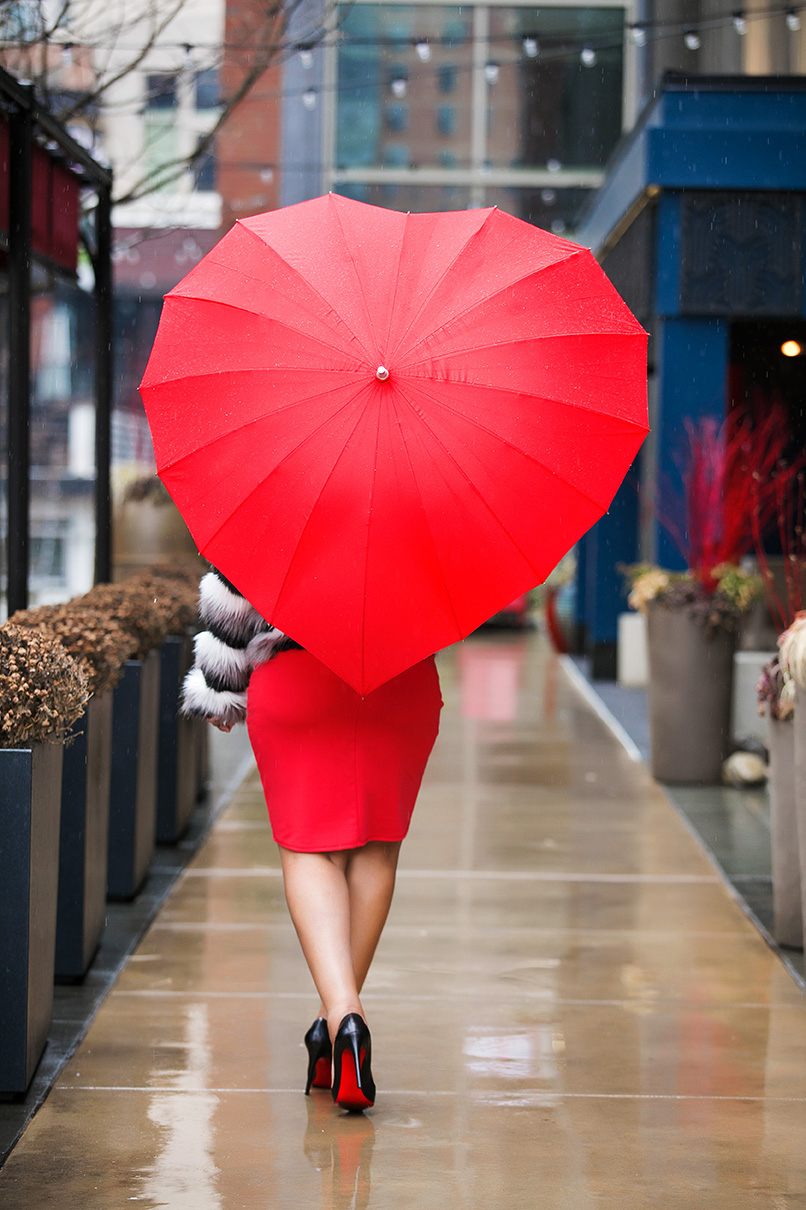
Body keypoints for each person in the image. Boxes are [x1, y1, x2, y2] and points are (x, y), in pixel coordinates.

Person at [181, 567, 442, 1112]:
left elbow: (234, 586)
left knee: (308, 850)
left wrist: (220, 688)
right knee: (377, 846)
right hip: (399, 677)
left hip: (298, 674)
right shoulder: (427, 489)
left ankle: (345, 1016)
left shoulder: (285, 487)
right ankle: (333, 1030)